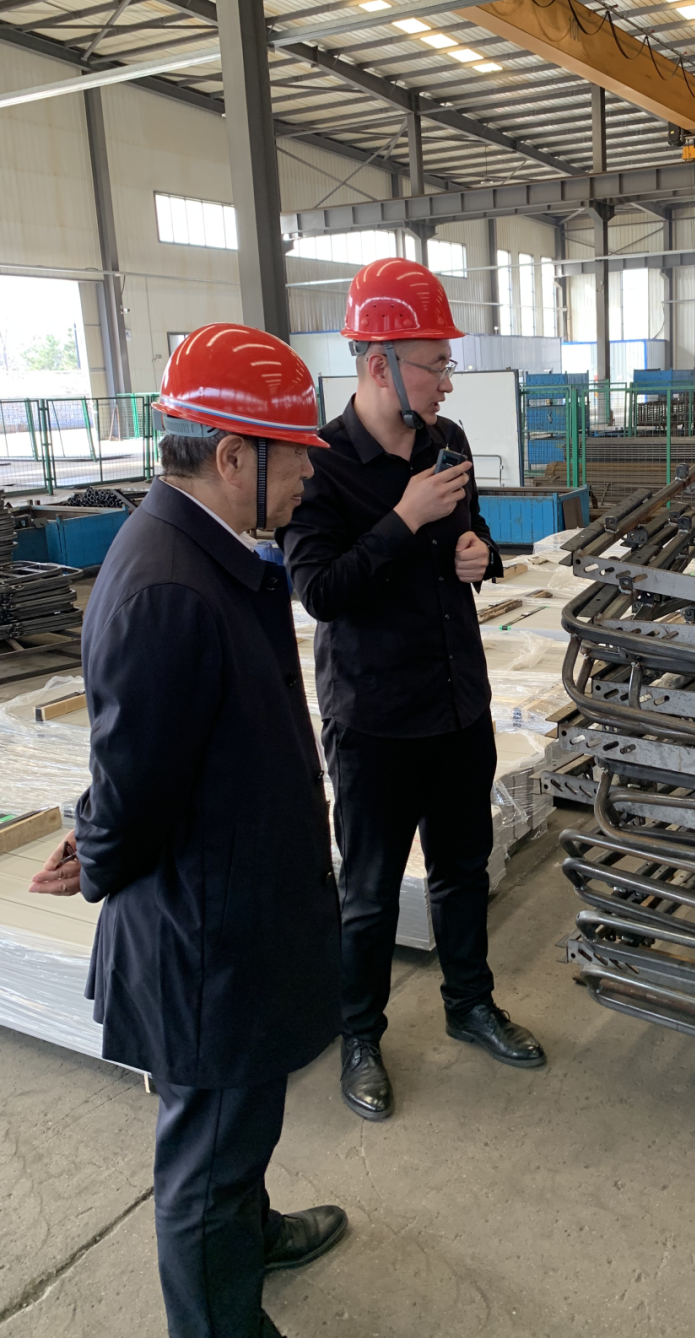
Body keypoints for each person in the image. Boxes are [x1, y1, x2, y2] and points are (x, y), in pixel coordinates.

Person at [30, 324, 346, 1338]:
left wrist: (100, 829)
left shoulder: (211, 551)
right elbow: (133, 786)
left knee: (238, 1127)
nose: (310, 475)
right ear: (234, 456)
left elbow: (156, 759)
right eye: (297, 456)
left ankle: (251, 1231)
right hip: (206, 937)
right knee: (206, 1157)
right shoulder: (169, 586)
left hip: (236, 901)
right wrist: (98, 844)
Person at [281, 257, 545, 1124]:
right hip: (375, 720)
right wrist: (405, 520)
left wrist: (480, 554)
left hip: (458, 704)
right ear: (378, 364)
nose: (446, 381)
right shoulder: (321, 467)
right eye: (434, 365)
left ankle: (470, 1004)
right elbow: (320, 591)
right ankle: (360, 1037)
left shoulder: (448, 443)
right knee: (367, 893)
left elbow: (477, 539)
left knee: (463, 871)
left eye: (445, 364)